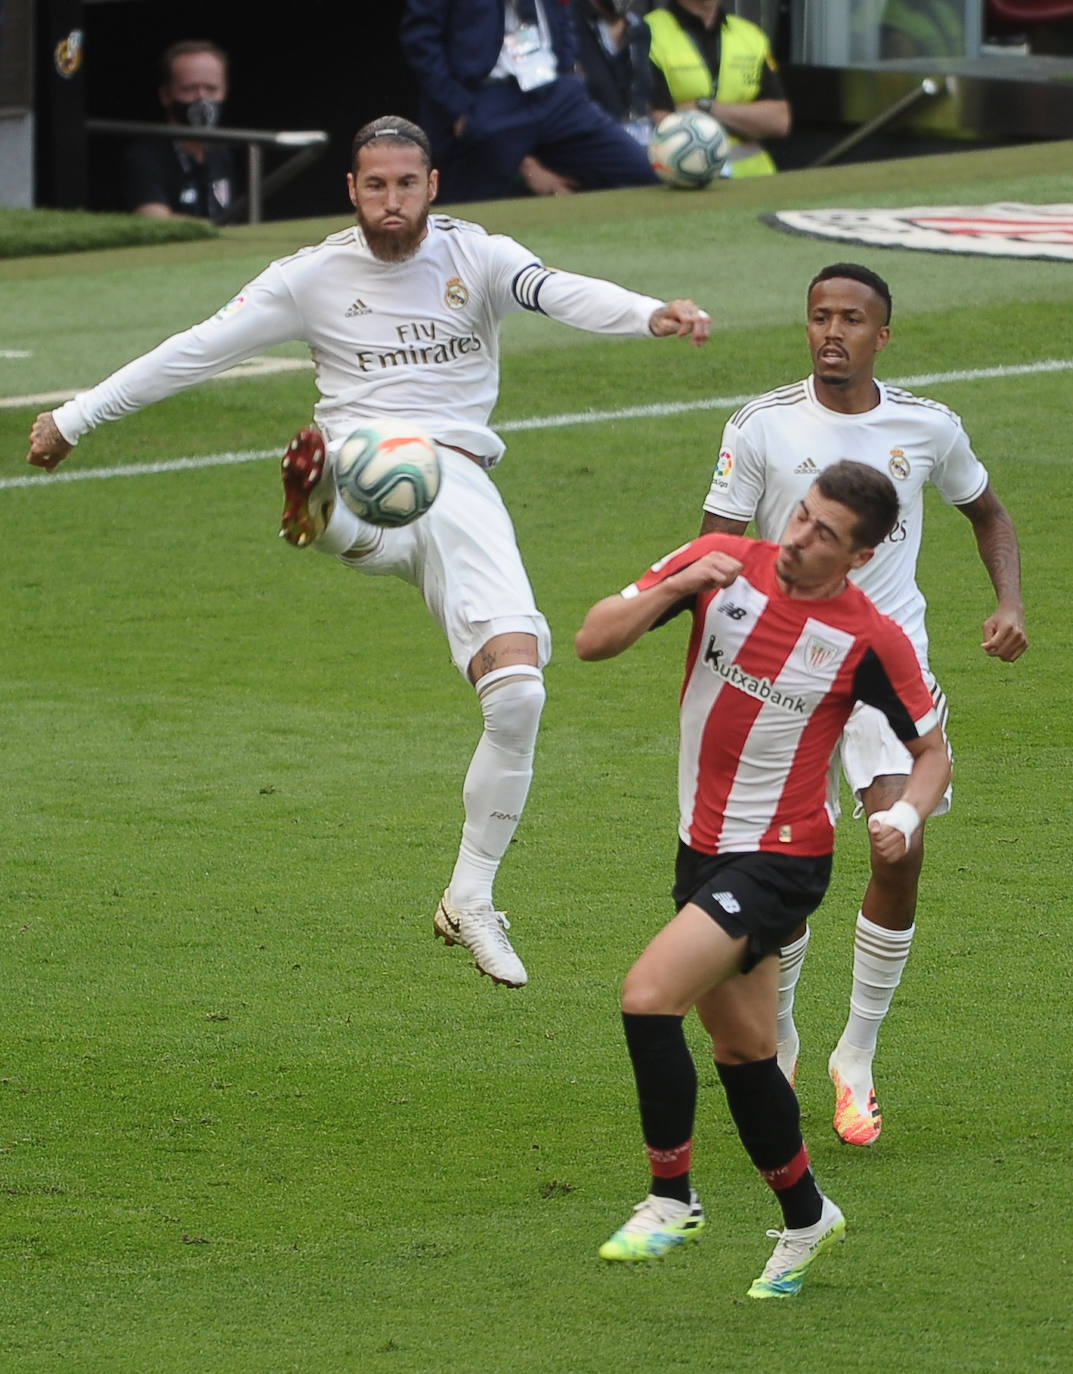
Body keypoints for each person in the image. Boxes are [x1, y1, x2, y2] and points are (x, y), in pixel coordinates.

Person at [26, 114, 711, 992]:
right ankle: (326, 507)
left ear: (434, 186)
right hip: (362, 452)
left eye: (407, 184)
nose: (392, 202)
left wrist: (651, 313)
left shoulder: (480, 256)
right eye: (375, 186)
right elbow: (195, 350)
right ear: (351, 191)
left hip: (458, 481)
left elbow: (560, 290)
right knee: (372, 489)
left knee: (521, 692)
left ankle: (470, 896)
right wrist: (75, 419)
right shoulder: (308, 276)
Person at [576, 461, 952, 1296]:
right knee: (744, 1053)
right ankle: (808, 1218)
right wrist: (671, 586)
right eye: (800, 516)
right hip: (701, 849)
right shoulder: (721, 561)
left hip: (782, 857)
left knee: (646, 996)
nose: (799, 538)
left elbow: (930, 754)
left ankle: (671, 1198)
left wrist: (904, 816)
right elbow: (591, 640)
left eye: (825, 535)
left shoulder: (868, 638)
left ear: (855, 558)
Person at [700, 262, 1027, 1146]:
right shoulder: (761, 426)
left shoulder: (925, 425)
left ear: (884, 333)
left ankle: (857, 1054)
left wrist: (1008, 603)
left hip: (885, 668)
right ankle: (789, 1033)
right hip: (781, 673)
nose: (830, 331)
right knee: (785, 867)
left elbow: (986, 512)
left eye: (850, 318)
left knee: (898, 844)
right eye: (817, 316)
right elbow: (715, 549)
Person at [399, 0, 658, 203]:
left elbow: (563, 16)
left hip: (555, 92)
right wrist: (457, 108)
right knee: (466, 212)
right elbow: (420, 39)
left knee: (642, 173)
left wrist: (567, 71)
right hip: (487, 97)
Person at [645, 0, 790, 176]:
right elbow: (660, 121)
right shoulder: (647, 33)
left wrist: (703, 107)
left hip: (755, 180)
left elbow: (779, 120)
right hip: (683, 180)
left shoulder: (750, 35)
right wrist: (746, 118)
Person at [121, 40, 234, 222]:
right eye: (190, 89)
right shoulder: (145, 156)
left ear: (224, 93)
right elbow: (153, 219)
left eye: (211, 89)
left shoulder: (220, 152)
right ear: (166, 95)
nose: (202, 98)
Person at [571, 0, 654, 146]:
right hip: (588, 151)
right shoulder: (567, 25)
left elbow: (648, 96)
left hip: (638, 150)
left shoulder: (638, 27)